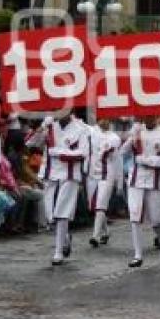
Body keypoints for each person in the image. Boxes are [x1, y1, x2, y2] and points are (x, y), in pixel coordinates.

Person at [26, 113, 89, 266]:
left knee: (62, 212)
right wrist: (42, 127)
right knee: (50, 216)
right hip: (50, 173)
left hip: (69, 174)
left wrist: (60, 153)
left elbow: (83, 153)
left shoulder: (81, 128)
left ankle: (58, 252)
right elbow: (29, 143)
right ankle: (65, 237)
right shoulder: (49, 126)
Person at [123, 117, 160, 267]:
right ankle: (138, 255)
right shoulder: (138, 131)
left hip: (155, 181)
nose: (148, 119)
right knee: (135, 216)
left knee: (155, 220)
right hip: (136, 180)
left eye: (152, 115)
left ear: (158, 117)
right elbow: (122, 151)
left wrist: (146, 160)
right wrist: (132, 136)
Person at [86, 119, 124, 248]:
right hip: (92, 175)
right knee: (94, 207)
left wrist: (120, 183)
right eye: (101, 118)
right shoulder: (92, 132)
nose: (104, 121)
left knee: (100, 205)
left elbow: (118, 160)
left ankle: (95, 236)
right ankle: (106, 231)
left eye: (106, 118)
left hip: (107, 174)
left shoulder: (114, 138)